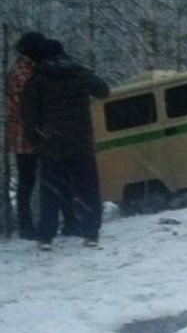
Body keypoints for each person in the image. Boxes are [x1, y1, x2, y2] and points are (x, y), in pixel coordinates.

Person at [20, 39, 110, 250]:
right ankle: (90, 233)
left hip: (53, 145)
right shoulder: (79, 72)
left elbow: (28, 116)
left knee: (51, 192)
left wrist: (37, 142)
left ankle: (46, 237)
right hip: (81, 142)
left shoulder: (38, 79)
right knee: (88, 188)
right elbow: (103, 90)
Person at [5, 32, 46, 240]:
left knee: (26, 182)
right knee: (30, 182)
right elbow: (27, 105)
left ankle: (27, 225)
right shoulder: (23, 74)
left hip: (22, 134)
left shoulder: (21, 71)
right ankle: (27, 226)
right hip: (27, 134)